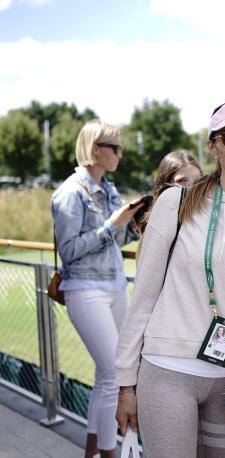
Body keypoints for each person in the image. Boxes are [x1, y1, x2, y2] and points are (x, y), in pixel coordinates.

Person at [115, 99, 225, 458]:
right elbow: (143, 297)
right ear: (213, 147)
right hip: (167, 371)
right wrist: (126, 384)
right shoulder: (177, 201)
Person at [51, 120, 143, 458]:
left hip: (114, 287)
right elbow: (68, 250)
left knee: (105, 375)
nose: (120, 154)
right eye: (114, 147)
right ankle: (108, 453)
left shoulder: (108, 189)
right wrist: (111, 225)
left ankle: (91, 452)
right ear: (95, 149)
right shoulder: (70, 193)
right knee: (114, 376)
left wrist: (134, 223)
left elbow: (116, 239)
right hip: (85, 289)